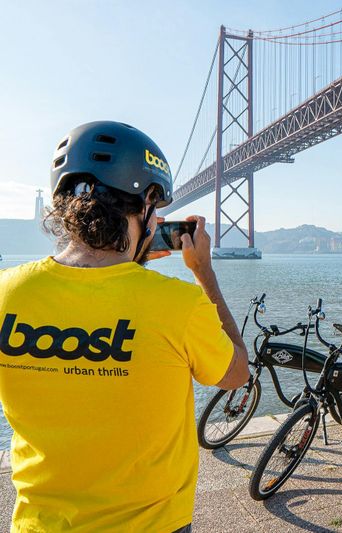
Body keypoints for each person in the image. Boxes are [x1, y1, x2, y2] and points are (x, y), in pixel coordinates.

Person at [0, 121, 250, 532]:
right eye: (156, 204)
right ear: (147, 201)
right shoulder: (178, 304)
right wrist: (204, 272)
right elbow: (236, 374)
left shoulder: (7, 293)